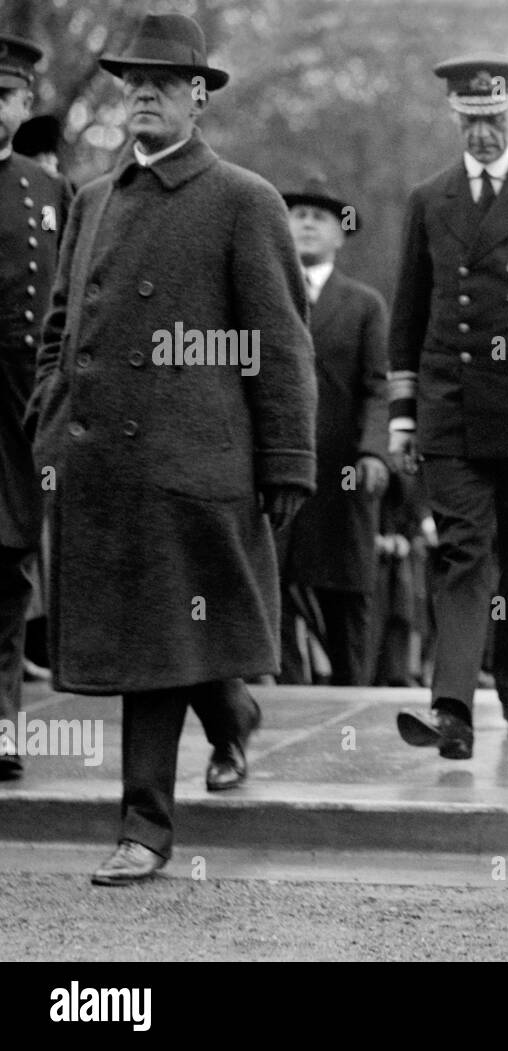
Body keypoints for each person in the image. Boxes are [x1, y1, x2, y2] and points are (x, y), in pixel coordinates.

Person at [28, 12, 316, 884]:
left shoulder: (242, 198)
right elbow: (56, 331)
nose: (142, 94)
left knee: (157, 646)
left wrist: (289, 460)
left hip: (192, 469)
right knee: (153, 643)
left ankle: (145, 827)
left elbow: (281, 342)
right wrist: (51, 415)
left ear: (199, 97)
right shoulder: (91, 198)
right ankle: (230, 712)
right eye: (132, 81)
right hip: (100, 469)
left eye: (162, 82)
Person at [389, 54, 508, 759]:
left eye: (493, 120)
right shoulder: (427, 199)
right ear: (454, 120)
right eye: (469, 122)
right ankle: (452, 710)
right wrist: (403, 415)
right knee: (465, 553)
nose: (481, 134)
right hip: (451, 407)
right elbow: (407, 315)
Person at [278, 175, 389, 686]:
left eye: (319, 217)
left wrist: (373, 453)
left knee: (346, 602)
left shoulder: (364, 305)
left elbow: (378, 387)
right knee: (270, 593)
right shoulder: (265, 296)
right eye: (296, 213)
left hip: (343, 474)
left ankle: (353, 708)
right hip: (276, 470)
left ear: (340, 234)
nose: (305, 222)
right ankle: (276, 705)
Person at [0, 34, 72, 781]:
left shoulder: (49, 192)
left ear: (23, 105)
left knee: (11, 563)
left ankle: (3, 727)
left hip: (22, 401)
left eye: (5, 95)